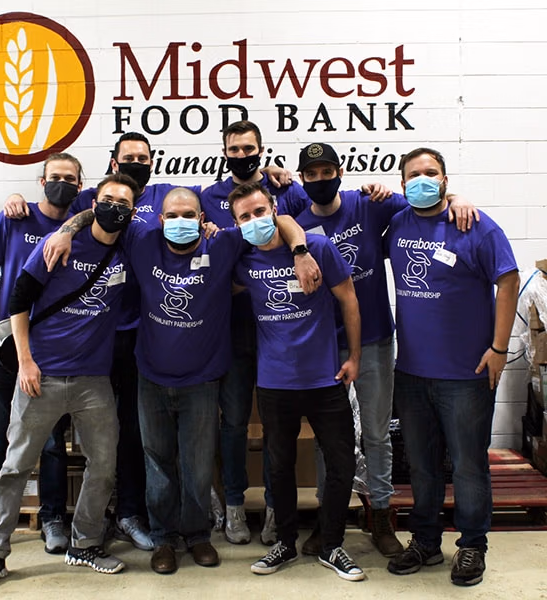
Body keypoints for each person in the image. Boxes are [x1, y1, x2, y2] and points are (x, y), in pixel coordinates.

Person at [39, 184, 320, 575]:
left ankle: (198, 536)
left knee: (198, 466)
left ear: (202, 219)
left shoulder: (222, 245)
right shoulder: (142, 241)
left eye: (189, 215)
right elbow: (98, 211)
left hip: (202, 381)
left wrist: (301, 252)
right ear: (159, 219)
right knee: (158, 466)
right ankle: (164, 538)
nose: (180, 221)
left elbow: (281, 219)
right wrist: (66, 230)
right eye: (172, 215)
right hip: (151, 378)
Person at [201, 121, 391, 547]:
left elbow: (289, 221)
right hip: (242, 340)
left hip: (313, 350)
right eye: (234, 148)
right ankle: (238, 508)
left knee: (339, 441)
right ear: (224, 152)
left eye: (249, 148)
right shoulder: (210, 200)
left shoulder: (288, 196)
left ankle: (297, 516)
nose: (241, 154)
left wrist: (301, 250)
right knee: (237, 427)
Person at [294, 142, 479, 557]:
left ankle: (380, 515)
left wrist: (456, 197)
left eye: (327, 172)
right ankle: (329, 519)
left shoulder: (368, 205)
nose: (321, 180)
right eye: (313, 174)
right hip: (324, 346)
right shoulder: (299, 226)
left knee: (378, 435)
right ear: (303, 178)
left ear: (340, 172)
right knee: (328, 440)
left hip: (374, 338)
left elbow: (425, 201)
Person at [0, 173, 140, 596]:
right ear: (92, 203)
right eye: (107, 199)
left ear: (132, 212)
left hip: (93, 380)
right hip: (41, 376)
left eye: (123, 203)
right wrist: (26, 362)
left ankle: (85, 543)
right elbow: (19, 301)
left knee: (104, 465)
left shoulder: (129, 248)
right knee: (16, 466)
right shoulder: (57, 244)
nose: (114, 208)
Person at [384, 147, 519, 586]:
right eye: (414, 174)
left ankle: (473, 545)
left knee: (467, 465)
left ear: (445, 179)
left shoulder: (475, 224)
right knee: (421, 465)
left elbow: (508, 280)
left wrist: (499, 348)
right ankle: (425, 540)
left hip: (466, 374)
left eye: (432, 172)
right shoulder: (398, 222)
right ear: (403, 183)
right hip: (412, 372)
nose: (423, 180)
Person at [229, 181, 365, 582]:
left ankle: (332, 545)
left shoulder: (317, 248)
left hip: (325, 378)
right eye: (244, 217)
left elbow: (349, 299)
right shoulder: (243, 260)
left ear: (274, 209)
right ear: (237, 223)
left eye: (259, 212)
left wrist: (354, 357)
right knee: (279, 467)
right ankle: (285, 542)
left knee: (340, 463)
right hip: (275, 383)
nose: (254, 221)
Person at [0, 153, 83, 556]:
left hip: (48, 354)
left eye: (70, 179)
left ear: (80, 186)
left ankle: (52, 518)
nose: (61, 184)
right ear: (41, 181)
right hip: (3, 349)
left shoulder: (80, 228)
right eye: (55, 177)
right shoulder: (13, 219)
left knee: (51, 442)